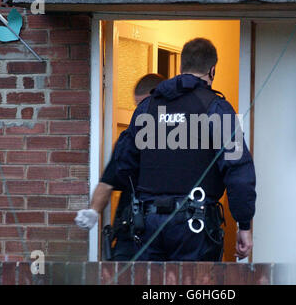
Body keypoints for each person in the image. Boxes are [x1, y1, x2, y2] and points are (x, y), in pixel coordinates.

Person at [76, 38, 256, 261]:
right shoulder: (217, 108)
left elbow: (122, 166)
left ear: (181, 68)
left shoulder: (146, 108)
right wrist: (244, 225)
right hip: (194, 226)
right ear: (212, 70)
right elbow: (239, 171)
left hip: (147, 224)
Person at [75, 73, 165, 261]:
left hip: (167, 228)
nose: (142, 111)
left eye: (145, 104)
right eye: (138, 106)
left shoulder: (182, 137)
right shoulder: (131, 138)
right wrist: (93, 211)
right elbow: (108, 182)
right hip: (134, 227)